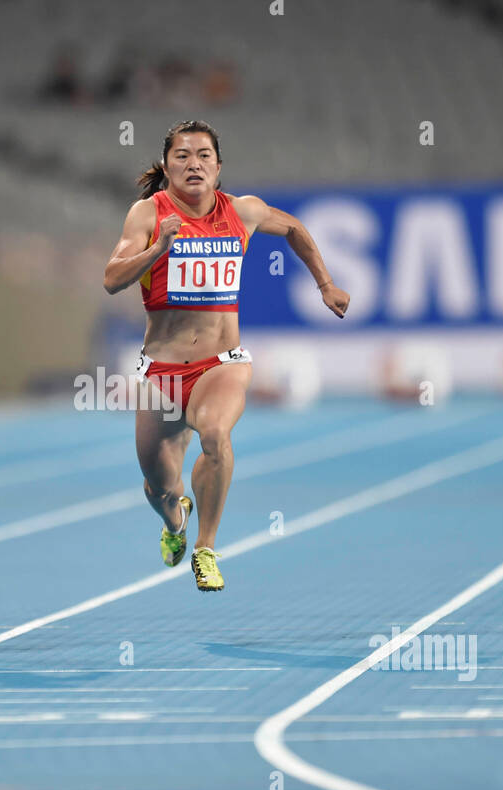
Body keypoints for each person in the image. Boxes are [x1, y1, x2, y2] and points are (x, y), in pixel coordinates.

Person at [103, 120, 349, 591]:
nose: (193, 163)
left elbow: (294, 227)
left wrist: (325, 283)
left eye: (203, 156)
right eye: (182, 155)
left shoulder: (243, 211)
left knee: (215, 434)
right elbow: (112, 279)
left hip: (222, 363)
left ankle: (206, 549)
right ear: (168, 165)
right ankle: (176, 521)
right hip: (162, 372)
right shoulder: (146, 215)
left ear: (218, 167)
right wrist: (158, 249)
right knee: (160, 487)